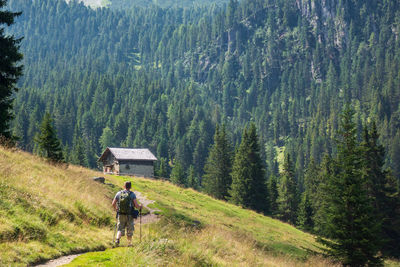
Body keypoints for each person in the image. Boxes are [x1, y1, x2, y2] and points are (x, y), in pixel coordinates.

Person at [112, 181, 142, 247]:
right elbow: (136, 205)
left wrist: (116, 209)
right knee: (130, 229)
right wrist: (140, 206)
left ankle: (117, 239)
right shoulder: (132, 194)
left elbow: (113, 203)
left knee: (120, 228)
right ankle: (129, 243)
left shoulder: (119, 193)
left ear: (124, 186)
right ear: (130, 187)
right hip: (129, 215)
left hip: (120, 214)